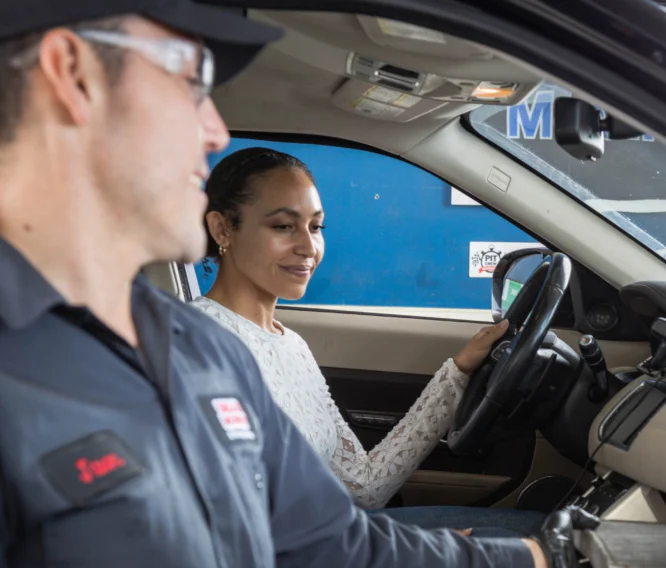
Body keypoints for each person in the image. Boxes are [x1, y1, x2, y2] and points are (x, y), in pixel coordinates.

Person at [0, 0, 559, 566]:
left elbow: (330, 537)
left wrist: (528, 560)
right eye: (191, 83)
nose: (215, 130)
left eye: (315, 227)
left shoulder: (201, 350)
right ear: (74, 75)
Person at [192, 147, 546, 538]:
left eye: (316, 227)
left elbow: (365, 486)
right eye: (283, 227)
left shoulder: (290, 345)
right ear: (223, 228)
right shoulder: (199, 345)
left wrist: (458, 372)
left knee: (551, 533)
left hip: (340, 539)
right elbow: (235, 529)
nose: (309, 248)